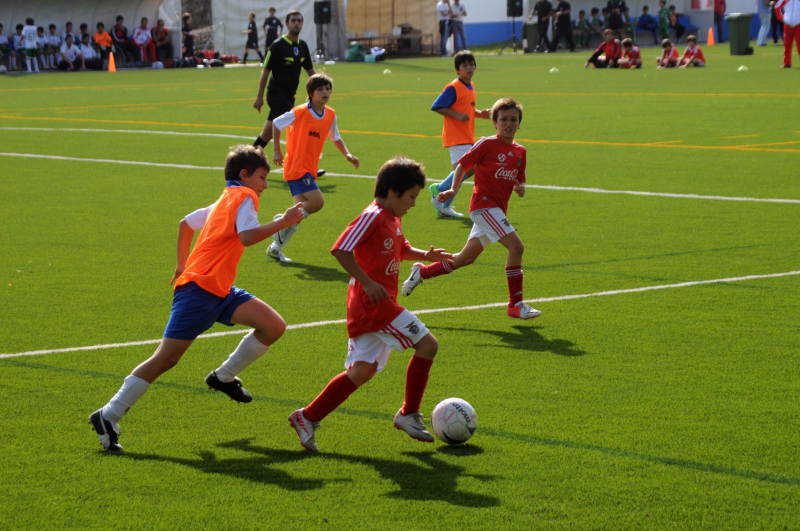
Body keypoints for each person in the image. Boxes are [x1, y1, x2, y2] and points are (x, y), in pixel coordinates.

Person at [89, 145, 305, 452]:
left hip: (218, 290)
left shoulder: (224, 199)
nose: (265, 185)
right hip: (200, 291)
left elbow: (185, 223)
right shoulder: (245, 196)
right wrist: (285, 221)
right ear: (244, 176)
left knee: (273, 326)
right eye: (262, 177)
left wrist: (181, 265)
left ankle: (224, 376)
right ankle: (107, 415)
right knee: (166, 359)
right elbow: (248, 236)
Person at [288, 156, 454, 452]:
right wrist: (366, 281)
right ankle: (408, 413)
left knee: (362, 371)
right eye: (412, 196)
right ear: (393, 192)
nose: (414, 204)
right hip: (372, 305)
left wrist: (424, 256)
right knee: (428, 345)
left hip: (376, 303)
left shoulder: (392, 216)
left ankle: (307, 416)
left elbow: (399, 248)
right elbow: (340, 249)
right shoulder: (373, 215)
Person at [402, 98, 541, 322]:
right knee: (517, 247)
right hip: (484, 206)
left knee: (465, 258)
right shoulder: (486, 144)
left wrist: (520, 186)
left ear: (519, 124)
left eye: (513, 120)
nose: (508, 123)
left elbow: (519, 175)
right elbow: (462, 165)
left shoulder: (520, 151)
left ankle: (422, 272)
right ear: (494, 123)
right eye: (503, 119)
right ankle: (515, 304)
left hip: (496, 211)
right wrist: (452, 190)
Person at [267, 74, 360, 263]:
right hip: (297, 166)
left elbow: (336, 136)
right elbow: (276, 124)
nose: (325, 92)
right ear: (310, 93)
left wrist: (347, 154)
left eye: (327, 88)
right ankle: (282, 219)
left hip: (310, 167)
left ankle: (275, 249)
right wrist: (277, 150)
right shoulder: (299, 112)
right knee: (317, 202)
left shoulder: (330, 114)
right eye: (320, 89)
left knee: (299, 212)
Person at [429, 51, 491, 218]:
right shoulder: (453, 87)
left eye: (471, 64)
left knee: (459, 174)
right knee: (469, 168)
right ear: (457, 69)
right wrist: (456, 116)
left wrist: (480, 114)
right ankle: (440, 189)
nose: (469, 67)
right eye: (465, 65)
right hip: (457, 136)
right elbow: (437, 106)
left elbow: (466, 108)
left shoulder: (471, 85)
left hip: (466, 135)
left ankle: (443, 206)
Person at [252, 11, 317, 151]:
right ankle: (304, 165)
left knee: (266, 134)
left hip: (289, 96)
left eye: (299, 20)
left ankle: (246, 158)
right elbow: (265, 72)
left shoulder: (303, 46)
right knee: (300, 123)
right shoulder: (277, 46)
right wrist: (259, 97)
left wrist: (322, 83)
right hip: (276, 95)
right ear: (287, 24)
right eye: (293, 20)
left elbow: (310, 71)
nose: (296, 23)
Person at [775, 0, 800, 67]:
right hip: (788, 24)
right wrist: (781, 18)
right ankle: (787, 63)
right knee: (787, 45)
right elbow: (777, 7)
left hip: (799, 24)